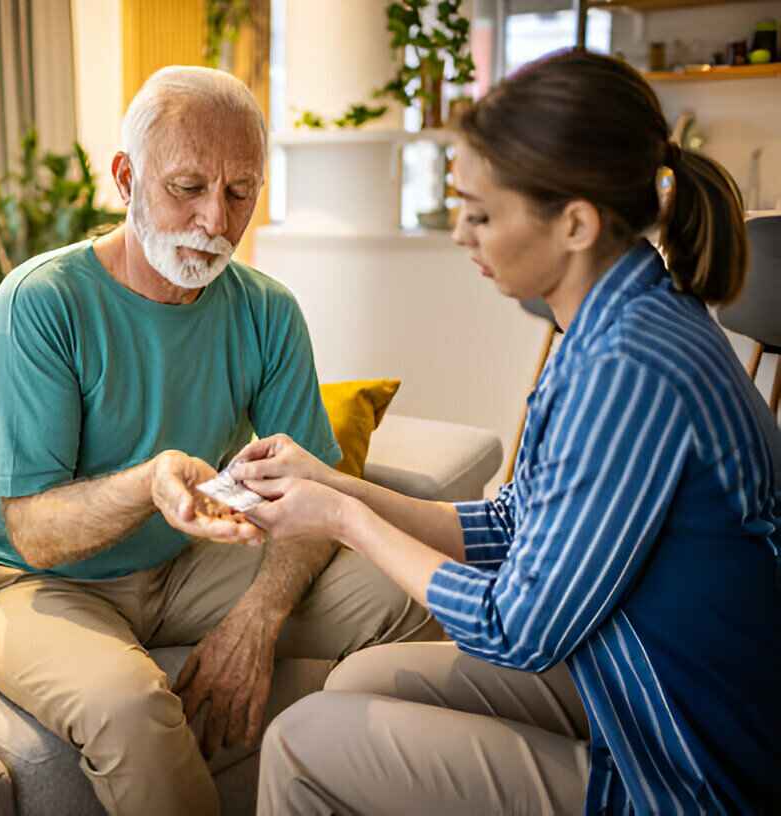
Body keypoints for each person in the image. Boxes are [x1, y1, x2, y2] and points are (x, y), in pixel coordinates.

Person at [242, 50, 781, 814]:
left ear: (575, 223)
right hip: (630, 678)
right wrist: (331, 481)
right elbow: (511, 524)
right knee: (356, 678)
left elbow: (516, 627)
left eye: (483, 212)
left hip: (692, 771)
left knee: (300, 741)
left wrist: (344, 519)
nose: (462, 233)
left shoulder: (627, 369)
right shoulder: (614, 322)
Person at [0, 65, 440, 816]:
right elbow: (34, 532)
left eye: (241, 191)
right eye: (187, 187)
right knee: (132, 708)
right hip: (24, 582)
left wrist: (259, 616)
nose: (216, 219)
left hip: (182, 566)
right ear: (125, 178)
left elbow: (305, 494)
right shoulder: (44, 302)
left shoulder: (267, 311)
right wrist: (151, 481)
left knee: (413, 587)